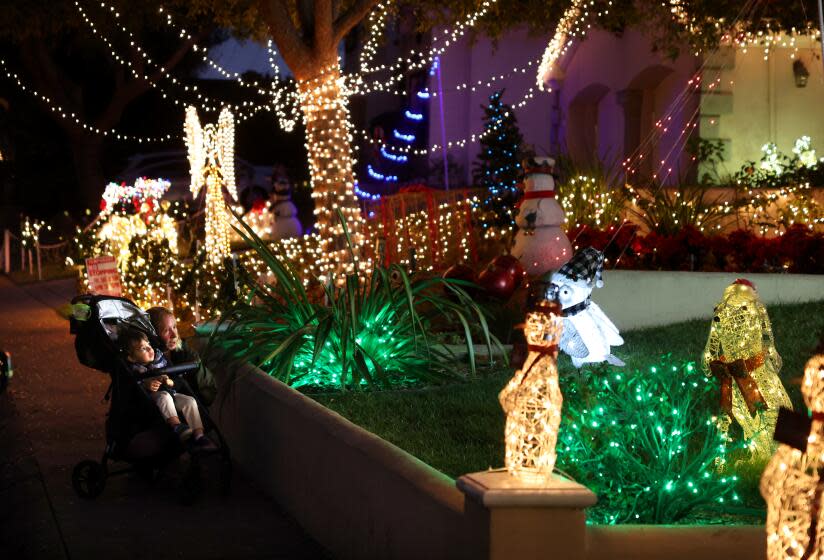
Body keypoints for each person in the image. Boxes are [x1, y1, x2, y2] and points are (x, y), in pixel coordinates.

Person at [120, 328, 218, 451]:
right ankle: (177, 426)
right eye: (142, 348)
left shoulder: (161, 359)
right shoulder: (133, 370)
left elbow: (176, 379)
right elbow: (131, 388)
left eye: (148, 344)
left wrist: (170, 382)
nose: (150, 349)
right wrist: (144, 385)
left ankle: (199, 435)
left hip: (172, 393)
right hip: (154, 399)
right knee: (164, 396)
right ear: (132, 358)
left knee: (190, 401)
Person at [147, 307, 217, 405]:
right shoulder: (145, 358)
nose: (174, 335)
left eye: (174, 327)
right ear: (153, 334)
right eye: (166, 330)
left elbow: (207, 389)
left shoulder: (187, 354)